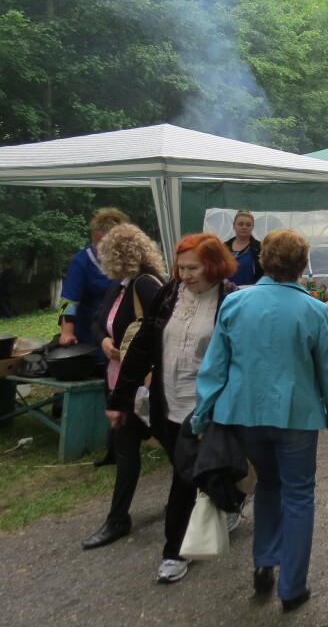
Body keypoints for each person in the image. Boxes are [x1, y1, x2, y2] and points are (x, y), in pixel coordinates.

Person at [192, 229, 328, 613]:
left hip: (244, 415)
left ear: (263, 261)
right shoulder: (314, 309)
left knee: (266, 487)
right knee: (298, 494)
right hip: (295, 416)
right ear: (303, 265)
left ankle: (264, 561)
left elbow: (214, 367)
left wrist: (201, 414)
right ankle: (292, 587)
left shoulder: (235, 304)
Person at [108, 233, 239, 583]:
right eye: (180, 268)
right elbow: (142, 347)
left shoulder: (231, 300)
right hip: (167, 404)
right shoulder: (168, 294)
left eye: (193, 267)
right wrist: (120, 398)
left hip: (208, 408)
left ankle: (175, 552)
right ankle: (227, 499)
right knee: (195, 471)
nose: (185, 275)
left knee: (184, 477)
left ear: (213, 265)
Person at [82, 223, 166, 550]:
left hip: (143, 382)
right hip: (119, 380)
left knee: (176, 446)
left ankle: (219, 496)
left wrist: (147, 364)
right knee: (126, 448)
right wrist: (103, 339)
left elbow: (163, 328)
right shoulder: (119, 286)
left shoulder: (145, 285)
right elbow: (96, 320)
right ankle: (118, 518)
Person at [58, 207, 129, 350]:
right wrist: (66, 333)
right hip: (90, 336)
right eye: (96, 244)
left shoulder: (130, 260)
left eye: (105, 245)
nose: (100, 249)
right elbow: (68, 301)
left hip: (124, 333)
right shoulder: (81, 262)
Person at [223, 210, 263, 287]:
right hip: (227, 294)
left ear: (253, 227)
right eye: (240, 224)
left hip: (251, 293)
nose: (244, 227)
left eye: (248, 225)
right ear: (234, 226)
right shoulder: (223, 248)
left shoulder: (260, 248)